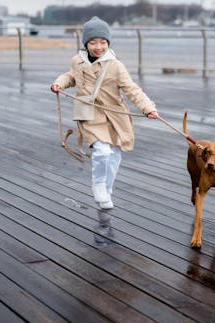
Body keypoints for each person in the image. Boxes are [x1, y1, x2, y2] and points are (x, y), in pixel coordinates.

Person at [51, 16, 158, 209]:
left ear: (108, 43)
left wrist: (147, 107)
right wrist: (59, 83)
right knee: (102, 151)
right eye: (93, 42)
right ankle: (98, 184)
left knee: (115, 154)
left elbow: (131, 89)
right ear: (86, 43)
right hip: (90, 114)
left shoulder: (116, 65)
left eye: (103, 42)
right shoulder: (77, 61)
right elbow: (70, 76)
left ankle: (107, 190)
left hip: (115, 114)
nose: (98, 46)